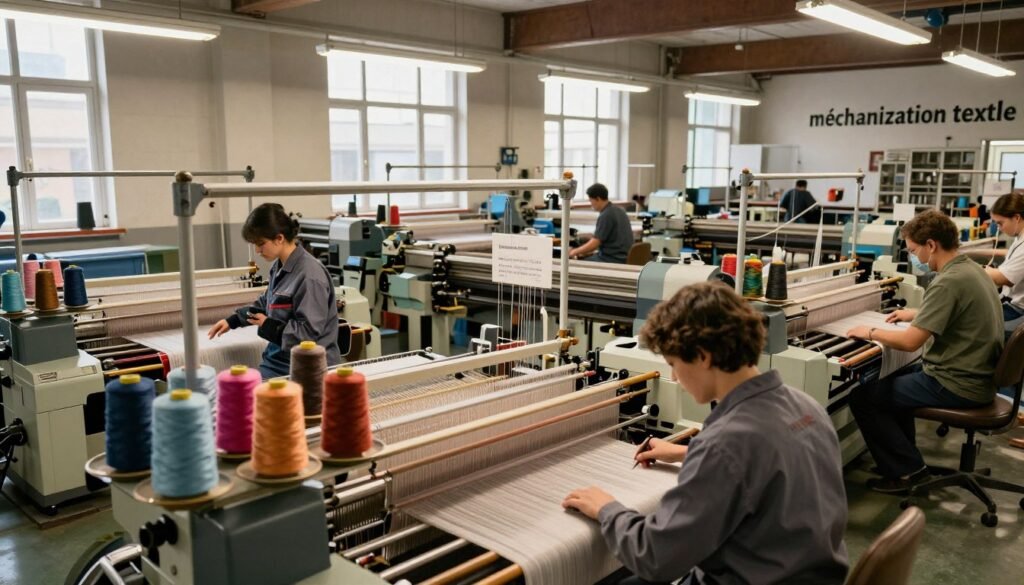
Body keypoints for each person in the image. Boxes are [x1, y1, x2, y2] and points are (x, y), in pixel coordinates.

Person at [562, 282, 849, 585]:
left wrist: (606, 509)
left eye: (673, 363)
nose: (673, 376)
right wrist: (686, 453)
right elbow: (764, 463)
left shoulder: (726, 444)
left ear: (702, 356)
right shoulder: (804, 405)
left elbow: (655, 557)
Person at [846, 209, 1003, 493]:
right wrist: (916, 313)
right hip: (977, 376)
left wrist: (868, 332)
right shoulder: (972, 270)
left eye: (914, 250)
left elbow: (910, 343)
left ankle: (907, 473)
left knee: (864, 397)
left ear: (931, 245)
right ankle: (904, 462)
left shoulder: (947, 281)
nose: (914, 258)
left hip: (957, 383)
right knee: (894, 379)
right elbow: (959, 310)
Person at [208, 203, 342, 379]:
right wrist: (233, 320)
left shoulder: (310, 276)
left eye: (261, 244)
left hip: (307, 368)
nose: (257, 250)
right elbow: (266, 303)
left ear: (279, 238)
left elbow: (308, 335)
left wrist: (269, 326)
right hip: (278, 361)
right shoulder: (278, 267)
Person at [977, 193, 1024, 334]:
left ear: (1016, 218)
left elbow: (1004, 278)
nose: (999, 228)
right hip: (1011, 304)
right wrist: (978, 251)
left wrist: (976, 269)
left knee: (971, 326)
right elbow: (1013, 254)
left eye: (1000, 223)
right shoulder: (1020, 236)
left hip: (1018, 311)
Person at [568, 183, 634, 263]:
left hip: (612, 259)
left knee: (576, 264)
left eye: (591, 201)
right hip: (623, 256)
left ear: (598, 199)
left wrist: (574, 252)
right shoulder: (620, 210)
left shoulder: (606, 215)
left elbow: (594, 244)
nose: (591, 204)